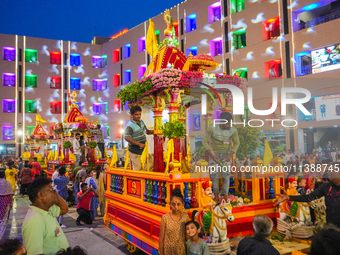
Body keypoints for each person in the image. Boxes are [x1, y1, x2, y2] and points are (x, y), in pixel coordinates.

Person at [274, 162, 340, 228]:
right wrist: (288, 197)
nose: (328, 172)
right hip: (331, 227)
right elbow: (309, 197)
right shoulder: (326, 187)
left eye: (331, 170)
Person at [22, 178, 69, 255]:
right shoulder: (34, 221)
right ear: (40, 195)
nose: (56, 193)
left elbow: (64, 209)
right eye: (51, 190)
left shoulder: (47, 210)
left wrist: (55, 195)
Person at [202, 112, 240, 202]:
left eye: (230, 123)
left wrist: (229, 156)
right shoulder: (212, 128)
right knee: (214, 175)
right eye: (227, 124)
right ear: (221, 122)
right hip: (214, 154)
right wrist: (212, 155)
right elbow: (204, 141)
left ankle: (225, 195)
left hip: (226, 154)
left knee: (226, 175)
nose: (230, 125)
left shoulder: (233, 130)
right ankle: (215, 195)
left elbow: (237, 143)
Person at [159, 187, 190, 255]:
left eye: (178, 204)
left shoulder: (185, 217)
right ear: (170, 204)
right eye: (173, 204)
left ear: (183, 204)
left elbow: (187, 237)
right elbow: (161, 240)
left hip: (181, 251)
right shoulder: (165, 218)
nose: (176, 207)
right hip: (168, 251)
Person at [124, 105, 154, 170]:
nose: (138, 116)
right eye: (136, 114)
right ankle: (138, 179)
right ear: (131, 115)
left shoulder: (141, 121)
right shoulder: (130, 125)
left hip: (143, 150)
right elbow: (127, 137)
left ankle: (145, 178)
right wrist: (139, 144)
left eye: (139, 114)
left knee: (151, 162)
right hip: (135, 151)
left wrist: (156, 131)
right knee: (138, 168)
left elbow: (147, 131)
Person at [0, 169, 14, 239]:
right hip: (5, 202)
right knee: (4, 219)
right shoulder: (7, 183)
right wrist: (11, 203)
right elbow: (10, 194)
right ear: (4, 175)